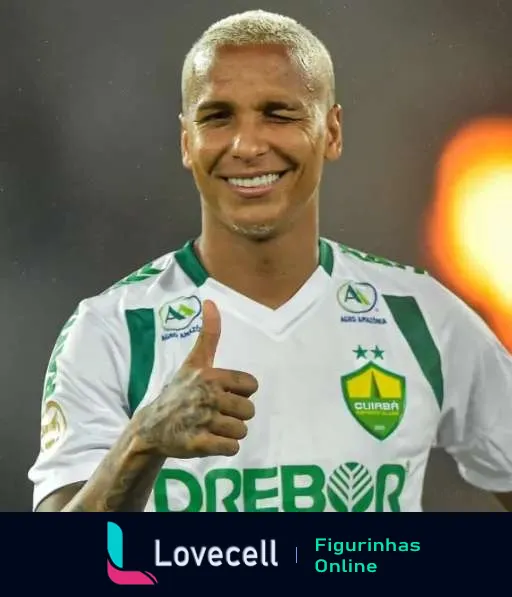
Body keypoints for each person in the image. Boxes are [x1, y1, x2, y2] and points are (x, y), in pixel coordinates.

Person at [28, 9, 512, 513]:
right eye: (217, 117)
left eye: (279, 115)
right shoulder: (112, 329)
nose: (247, 145)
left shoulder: (422, 317)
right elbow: (55, 570)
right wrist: (141, 443)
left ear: (332, 132)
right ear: (186, 143)